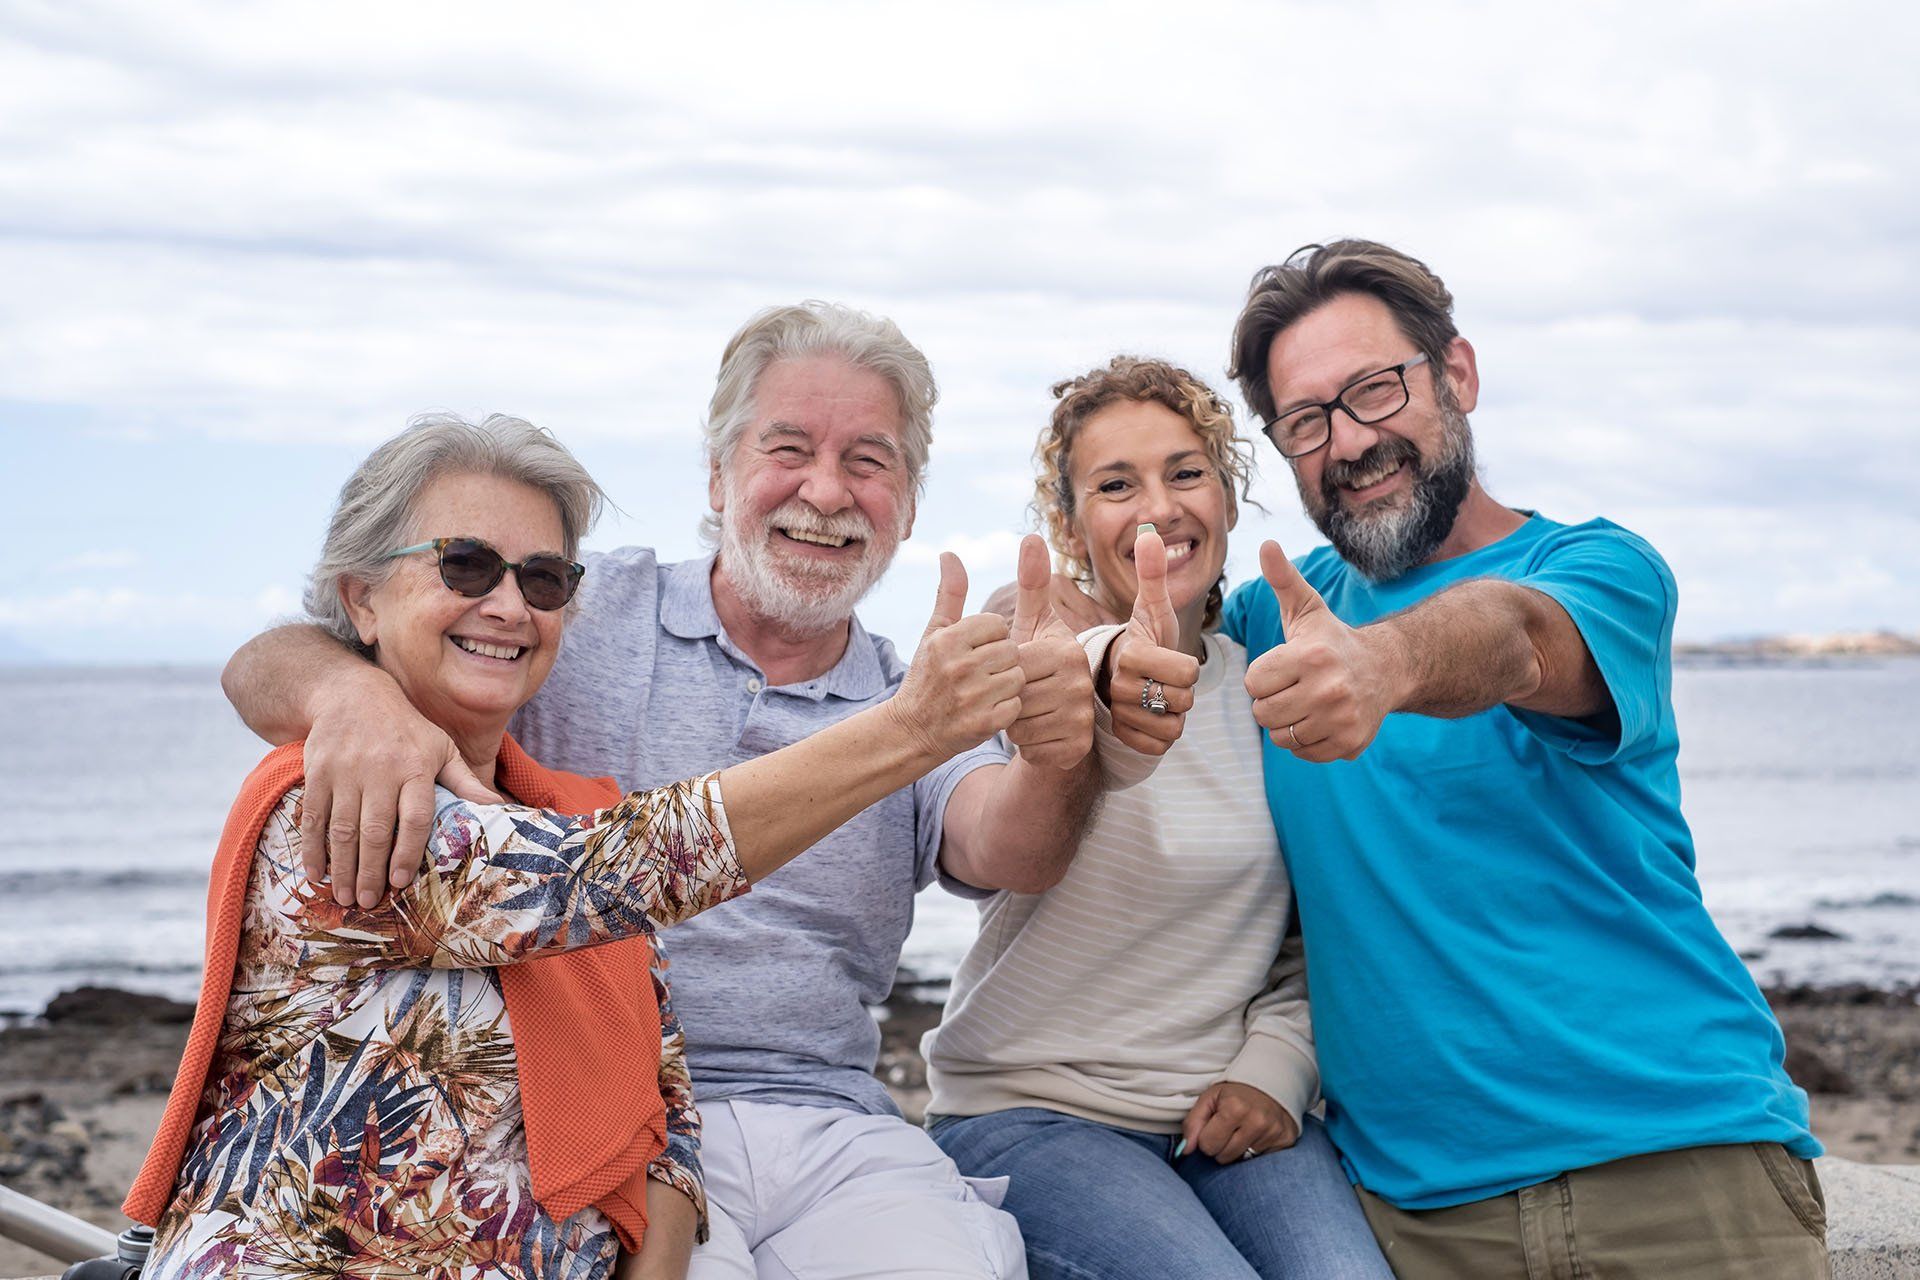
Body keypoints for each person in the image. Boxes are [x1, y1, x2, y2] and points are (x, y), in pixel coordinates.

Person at [220, 303, 1104, 1278]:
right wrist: (344, 685)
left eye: (868, 459)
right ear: (717, 473)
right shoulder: (571, 622)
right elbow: (624, 869)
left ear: (907, 495)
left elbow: (1010, 846)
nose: (509, 603)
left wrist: (1060, 748)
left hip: (804, 1122)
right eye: (789, 446)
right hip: (578, 1124)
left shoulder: (906, 684)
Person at [1216, 240, 1827, 1277]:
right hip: (1417, 1221)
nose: (1352, 441)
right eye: (1308, 420)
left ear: (1457, 373)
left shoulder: (1599, 569)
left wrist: (1385, 664)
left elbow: (1517, 639)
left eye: (1375, 389)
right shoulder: (1267, 618)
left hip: (1682, 1173)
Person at [922, 357, 1391, 1280]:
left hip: (1216, 1114)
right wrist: (1102, 672)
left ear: (1225, 497)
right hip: (1029, 1112)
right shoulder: (1032, 661)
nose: (1160, 509)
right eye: (1114, 485)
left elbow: (1314, 924)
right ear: (1066, 524)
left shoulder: (1272, 682)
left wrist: (1277, 1069)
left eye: (1186, 473)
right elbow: (1081, 689)